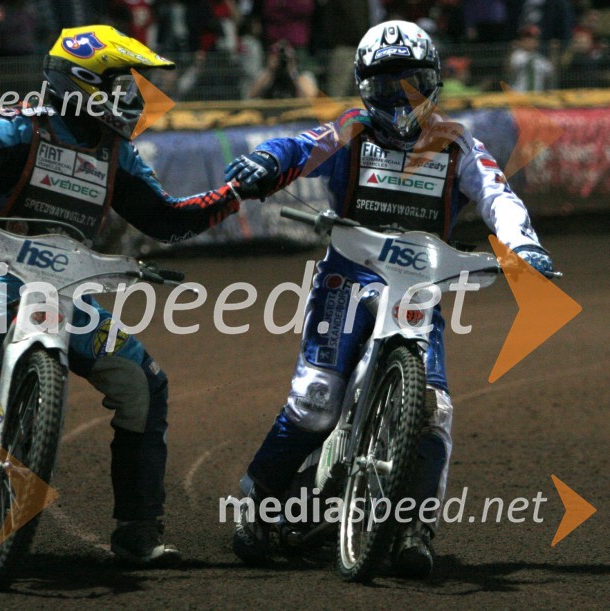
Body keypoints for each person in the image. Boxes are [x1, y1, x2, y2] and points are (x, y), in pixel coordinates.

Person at [0, 25, 249, 573]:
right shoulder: (23, 126)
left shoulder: (118, 153)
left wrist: (230, 197)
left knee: (144, 384)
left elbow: (167, 219)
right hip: (3, 277)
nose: (133, 95)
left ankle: (138, 530)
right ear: (82, 82)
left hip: (72, 291)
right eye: (121, 82)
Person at [225, 20, 554, 578]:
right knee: (315, 400)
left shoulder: (456, 143)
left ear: (433, 84)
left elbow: (499, 195)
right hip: (347, 278)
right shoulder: (351, 131)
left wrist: (524, 247)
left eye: (412, 82)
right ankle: (256, 502)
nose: (399, 97)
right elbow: (302, 146)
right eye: (385, 84)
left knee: (434, 410)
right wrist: (268, 162)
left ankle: (413, 527)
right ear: (363, 86)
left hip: (420, 286)